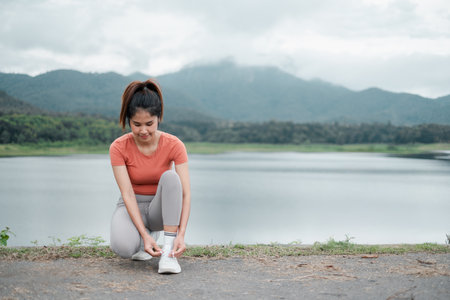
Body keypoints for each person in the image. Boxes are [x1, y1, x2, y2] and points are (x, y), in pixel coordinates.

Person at [109, 79, 191, 274]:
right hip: (131, 205)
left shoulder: (174, 145)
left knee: (171, 178)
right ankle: (144, 235)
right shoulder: (118, 147)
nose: (143, 130)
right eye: (136, 124)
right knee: (124, 249)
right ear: (128, 120)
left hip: (159, 210)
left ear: (159, 118)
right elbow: (127, 193)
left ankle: (168, 253)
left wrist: (181, 234)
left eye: (149, 124)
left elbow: (185, 194)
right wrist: (144, 236)